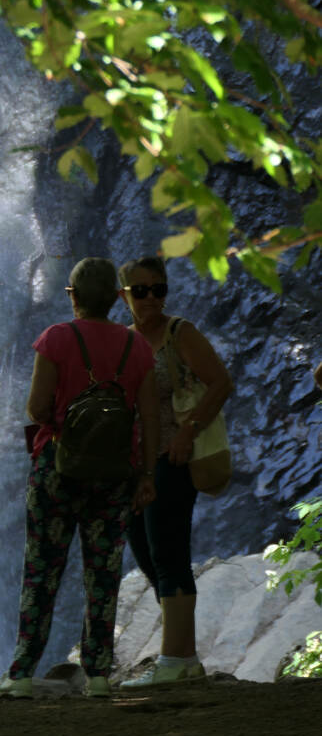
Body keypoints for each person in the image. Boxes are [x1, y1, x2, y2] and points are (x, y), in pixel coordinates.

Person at [0, 257, 159, 699]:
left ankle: (22, 674)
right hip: (115, 475)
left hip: (58, 471)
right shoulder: (136, 346)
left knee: (42, 570)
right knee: (102, 573)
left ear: (73, 297)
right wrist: (146, 474)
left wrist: (66, 421)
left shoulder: (57, 339)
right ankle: (99, 675)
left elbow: (37, 409)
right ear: (118, 298)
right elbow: (149, 416)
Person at [118, 256, 233, 688]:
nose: (151, 298)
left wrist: (187, 433)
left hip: (174, 459)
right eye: (141, 290)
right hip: (138, 467)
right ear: (122, 294)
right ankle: (185, 657)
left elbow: (221, 382)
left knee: (168, 554)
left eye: (159, 289)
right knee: (147, 554)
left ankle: (172, 662)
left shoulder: (179, 333)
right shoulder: (125, 341)